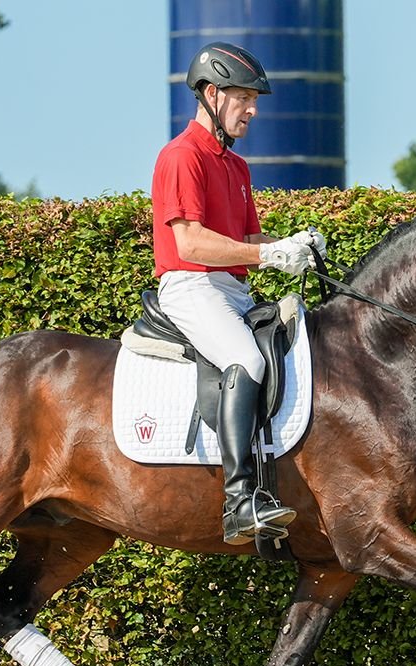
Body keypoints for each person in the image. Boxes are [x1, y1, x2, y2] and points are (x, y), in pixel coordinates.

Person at [152, 41, 326, 546]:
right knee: (246, 360)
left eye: (255, 100)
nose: (253, 110)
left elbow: (248, 241)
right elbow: (191, 240)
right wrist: (267, 257)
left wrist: (292, 245)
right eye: (244, 98)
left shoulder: (236, 166)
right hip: (191, 285)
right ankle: (238, 501)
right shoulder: (182, 156)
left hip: (230, 288)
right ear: (211, 94)